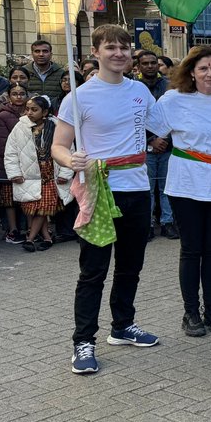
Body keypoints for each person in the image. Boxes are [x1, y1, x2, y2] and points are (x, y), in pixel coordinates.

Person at [53, 25, 160, 375]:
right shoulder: (79, 97)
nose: (119, 53)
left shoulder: (141, 91)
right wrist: (71, 160)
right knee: (93, 271)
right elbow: (58, 145)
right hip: (99, 192)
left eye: (125, 48)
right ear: (96, 52)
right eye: (111, 47)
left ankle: (122, 326)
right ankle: (83, 341)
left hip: (137, 190)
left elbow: (166, 124)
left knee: (131, 266)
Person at [148, 46, 211, 337]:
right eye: (203, 68)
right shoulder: (173, 100)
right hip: (186, 184)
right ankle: (190, 311)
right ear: (191, 71)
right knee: (191, 249)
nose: (210, 74)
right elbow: (149, 130)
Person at [7, 95, 73, 252]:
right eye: (27, 109)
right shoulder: (20, 127)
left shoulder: (57, 126)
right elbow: (11, 152)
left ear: (45, 112)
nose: (29, 112)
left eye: (34, 109)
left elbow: (69, 150)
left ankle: (30, 239)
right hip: (30, 174)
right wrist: (14, 172)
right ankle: (47, 238)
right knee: (37, 207)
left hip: (51, 173)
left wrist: (66, 172)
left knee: (43, 207)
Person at [136, 49, 175, 241]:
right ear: (139, 66)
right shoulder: (134, 88)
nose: (151, 66)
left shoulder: (169, 86)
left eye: (154, 63)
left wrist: (164, 138)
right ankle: (148, 224)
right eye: (146, 63)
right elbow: (134, 118)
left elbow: (173, 115)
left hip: (168, 145)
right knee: (148, 188)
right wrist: (151, 139)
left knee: (166, 187)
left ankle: (168, 223)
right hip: (144, 146)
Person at [0, 82, 29, 243]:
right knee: (10, 201)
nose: (19, 97)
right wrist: (18, 160)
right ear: (9, 96)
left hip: (29, 164)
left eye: (22, 93)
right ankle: (13, 230)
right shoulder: (2, 116)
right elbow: (2, 144)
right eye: (15, 93)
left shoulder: (31, 113)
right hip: (7, 164)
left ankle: (30, 229)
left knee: (28, 198)